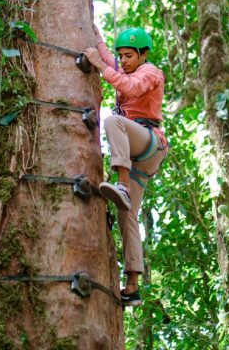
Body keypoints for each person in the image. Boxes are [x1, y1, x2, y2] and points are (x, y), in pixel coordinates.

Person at [84, 26, 168, 307]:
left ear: (143, 54)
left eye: (130, 55)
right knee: (127, 215)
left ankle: (121, 184)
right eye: (122, 55)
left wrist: (99, 66)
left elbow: (130, 87)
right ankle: (133, 285)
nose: (125, 60)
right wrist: (96, 35)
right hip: (140, 157)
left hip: (149, 142)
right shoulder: (125, 66)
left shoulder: (150, 72)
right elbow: (108, 59)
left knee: (112, 121)